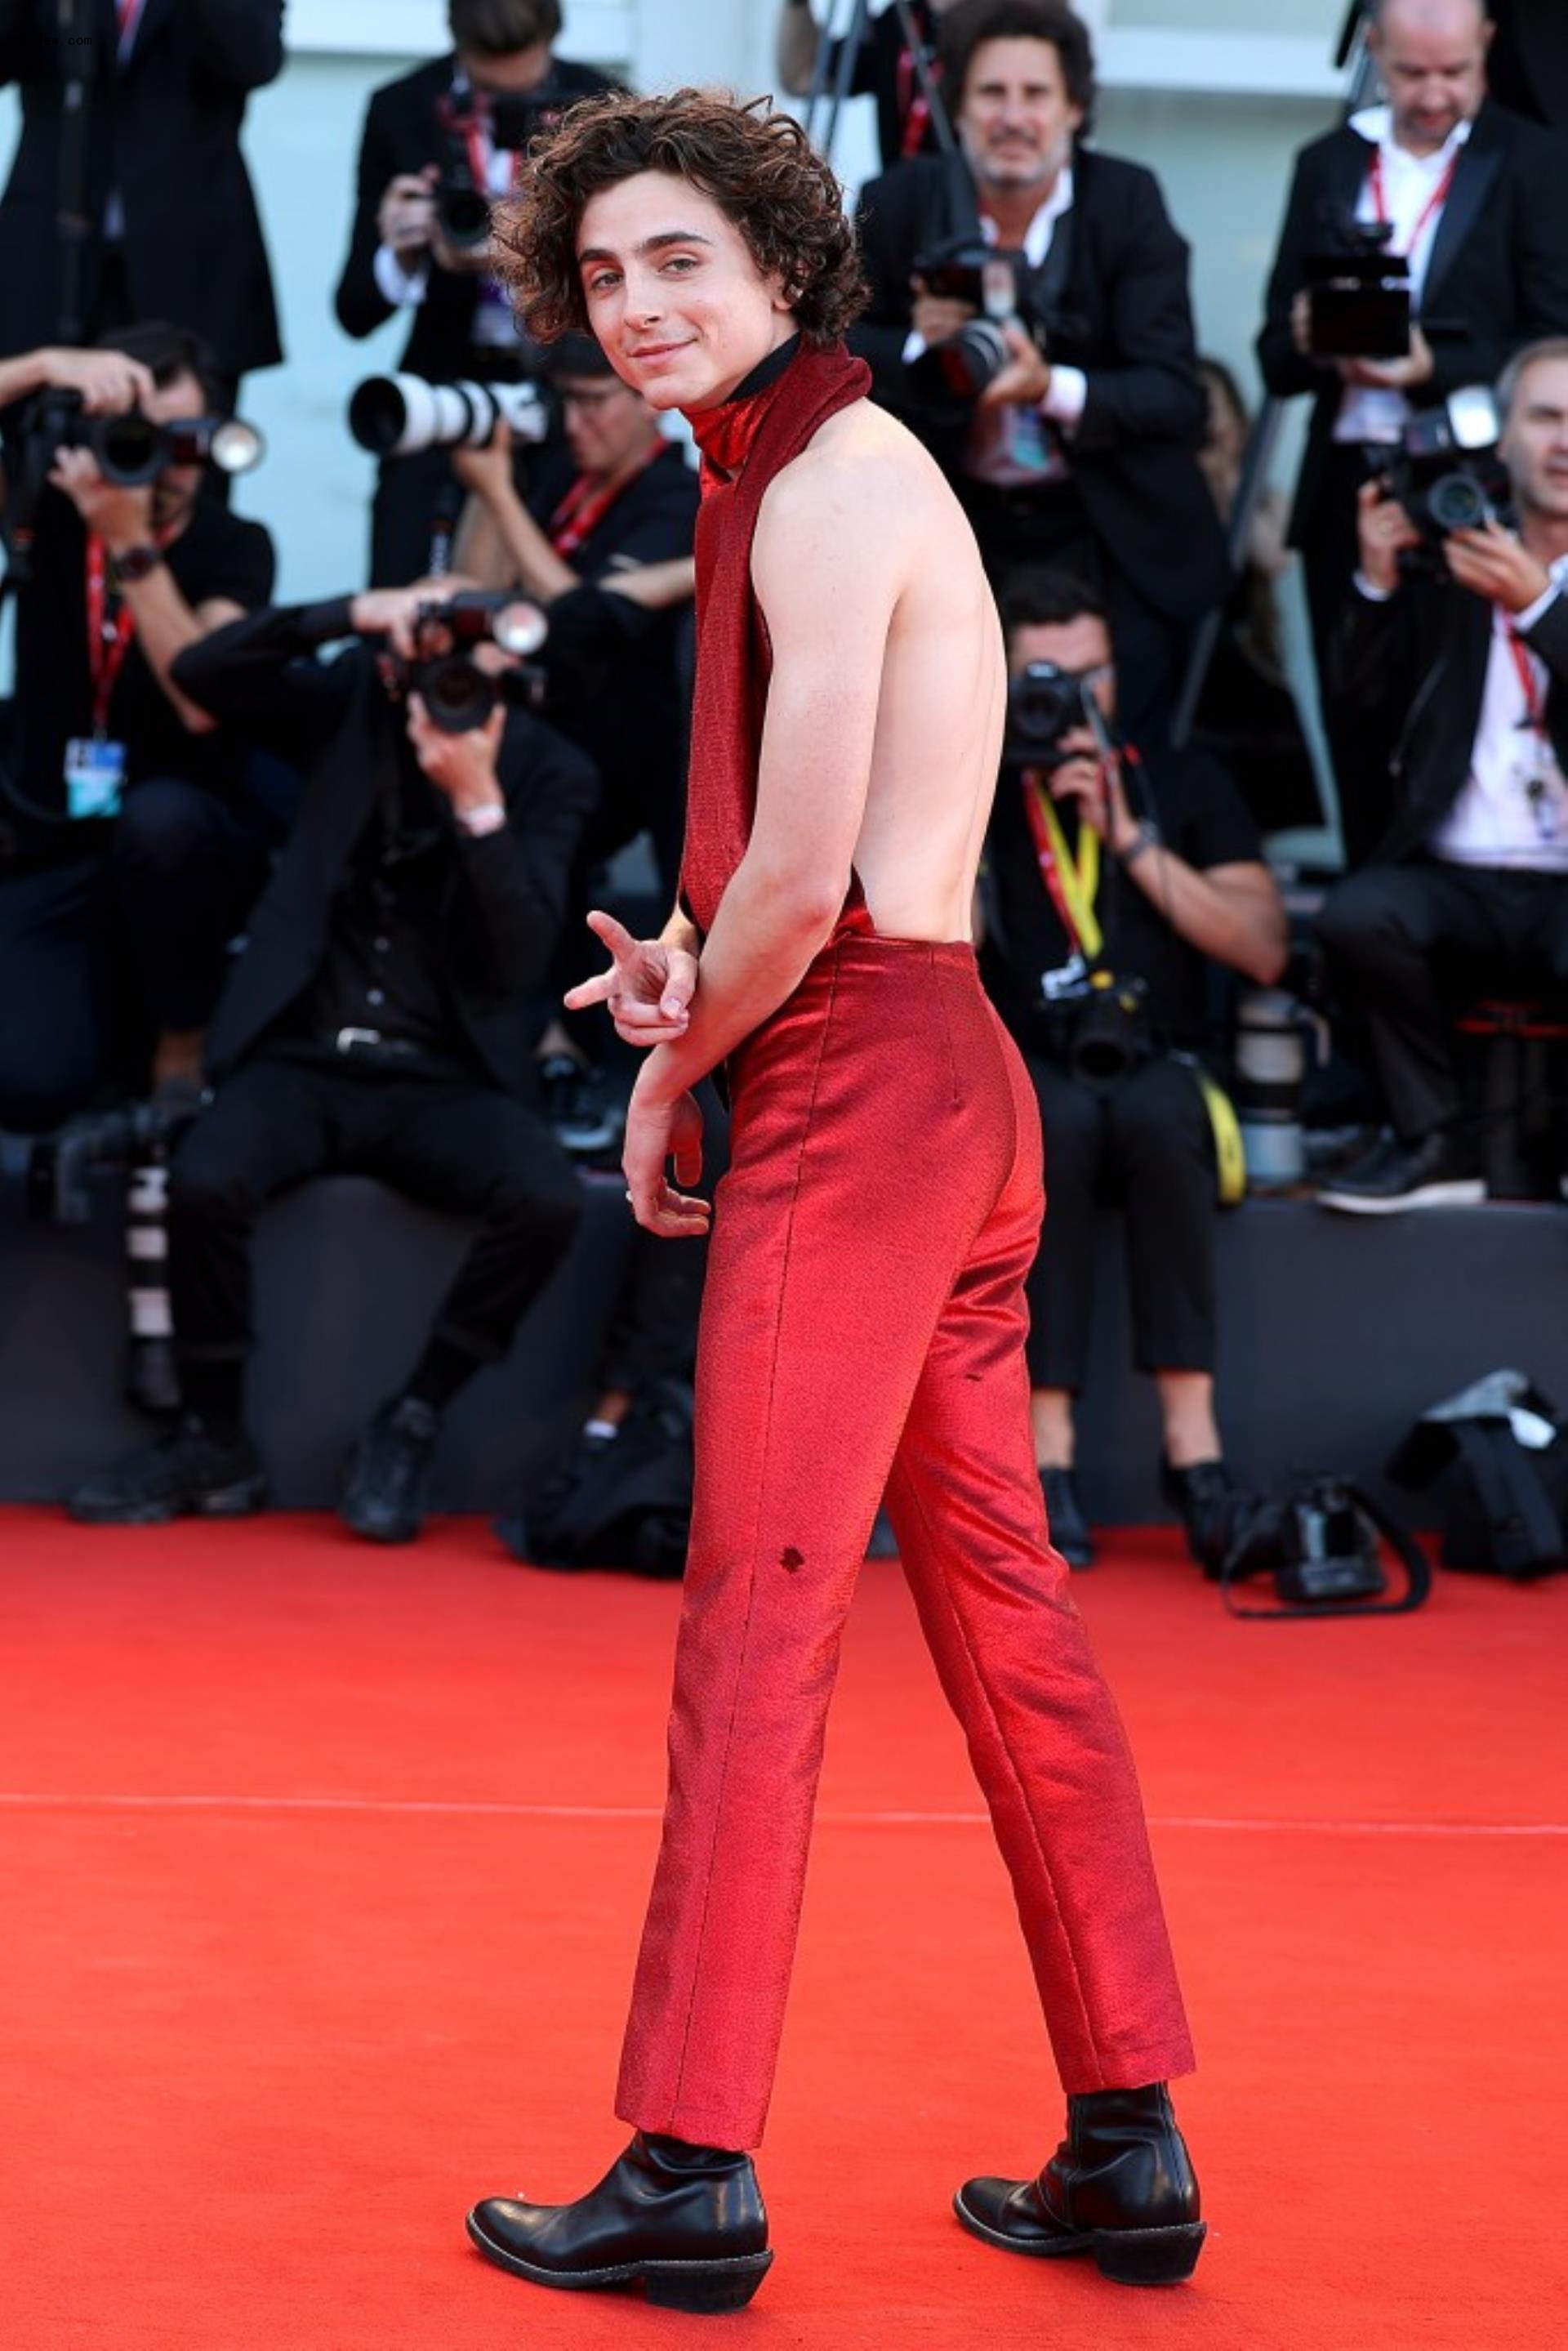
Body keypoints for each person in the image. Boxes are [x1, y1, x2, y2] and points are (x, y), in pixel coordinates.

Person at [461, 87, 1205, 2311]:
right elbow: (823, 865)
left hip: (862, 1085)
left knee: (759, 1620)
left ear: (784, 265)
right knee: (1007, 1621)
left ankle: (691, 2159)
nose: (635, 305)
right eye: (604, 273)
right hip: (940, 1068)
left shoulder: (820, 485)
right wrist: (692, 971)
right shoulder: (806, 472)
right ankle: (1129, 2133)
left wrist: (672, 1065)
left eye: (678, 259)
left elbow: (806, 881)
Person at [66, 575, 596, 1541]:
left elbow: (522, 959)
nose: (456, 686)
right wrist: (353, 614)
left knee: (550, 1197)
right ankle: (214, 1434)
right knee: (204, 1178)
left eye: (481, 669)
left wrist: (479, 804)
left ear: (515, 674)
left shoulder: (550, 770)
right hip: (303, 1057)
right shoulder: (349, 706)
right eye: (442, 662)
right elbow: (205, 671)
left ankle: (413, 1418)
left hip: (445, 1077)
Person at [983, 567, 1287, 1569]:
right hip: (1028, 1065)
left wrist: (1128, 835)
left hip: (1161, 1057)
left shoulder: (1181, 779)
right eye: (1044, 682)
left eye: (1089, 678)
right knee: (1056, 1128)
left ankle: (1194, 1452)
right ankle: (1047, 1457)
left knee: (1161, 1119)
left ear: (1119, 674)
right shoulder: (971, 782)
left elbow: (1263, 949)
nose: (1071, 703)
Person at [852, 0, 1227, 745]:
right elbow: (838, 356)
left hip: (1106, 524)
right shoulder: (898, 202)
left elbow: (1174, 395)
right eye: (992, 93)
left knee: (1125, 749)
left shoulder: (1127, 202)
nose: (1013, 117)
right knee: (946, 748)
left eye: (1036, 94)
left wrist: (1049, 387)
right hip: (955, 520)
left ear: (1074, 109)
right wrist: (925, 348)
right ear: (959, 104)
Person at [1257, 0, 1568, 866]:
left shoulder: (1532, 161)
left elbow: (1553, 342)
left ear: (1488, 47)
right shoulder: (1327, 163)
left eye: (1455, 72)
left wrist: (1430, 365)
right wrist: (1315, 337)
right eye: (1411, 73)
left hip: (1477, 489)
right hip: (1348, 487)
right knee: (1355, 717)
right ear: (1373, 50)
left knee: (1458, 717)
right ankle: (1371, 908)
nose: (1434, 94)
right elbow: (1274, 358)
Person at [0, 325, 276, 1128]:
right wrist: (46, 367)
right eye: (138, 438)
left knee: (164, 823)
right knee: (31, 1083)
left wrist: (130, 545)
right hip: (54, 833)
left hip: (180, 834)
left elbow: (201, 696)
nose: (162, 464)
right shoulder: (48, 510)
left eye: (183, 440)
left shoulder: (234, 544)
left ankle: (181, 1044)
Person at [1316, 337, 1568, 1211]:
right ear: (1501, 436)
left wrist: (1542, 608)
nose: (1563, 442)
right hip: (1457, 874)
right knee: (1356, 915)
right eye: (1544, 417)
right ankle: (1434, 1140)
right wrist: (1377, 583)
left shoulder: (1518, 582)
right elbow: (1358, 713)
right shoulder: (1452, 553)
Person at [451, 330, 699, 1148]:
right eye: (566, 404)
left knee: (547, 807)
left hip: (634, 747)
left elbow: (577, 619)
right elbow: (474, 591)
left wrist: (502, 496)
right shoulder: (558, 472)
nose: (574, 424)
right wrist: (490, 486)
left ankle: (565, 1051)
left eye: (593, 404)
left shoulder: (672, 492)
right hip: (538, 725)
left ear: (647, 404)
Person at [334, 0, 617, 585]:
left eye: (530, 88)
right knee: (404, 587)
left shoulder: (604, 106)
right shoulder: (404, 107)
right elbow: (354, 309)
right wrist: (402, 252)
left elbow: (628, 269)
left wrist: (533, 251)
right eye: (488, 90)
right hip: (441, 384)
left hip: (567, 392)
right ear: (458, 46)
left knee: (551, 604)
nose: (508, 101)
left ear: (552, 38)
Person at [0, 0, 283, 395]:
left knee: (182, 423)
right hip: (52, 261)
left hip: (189, 267)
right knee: (39, 421)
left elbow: (253, 58)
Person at [774, 0, 961, 169]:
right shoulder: (900, 22)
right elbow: (803, 74)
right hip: (900, 191)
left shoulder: (979, 26)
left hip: (968, 192)